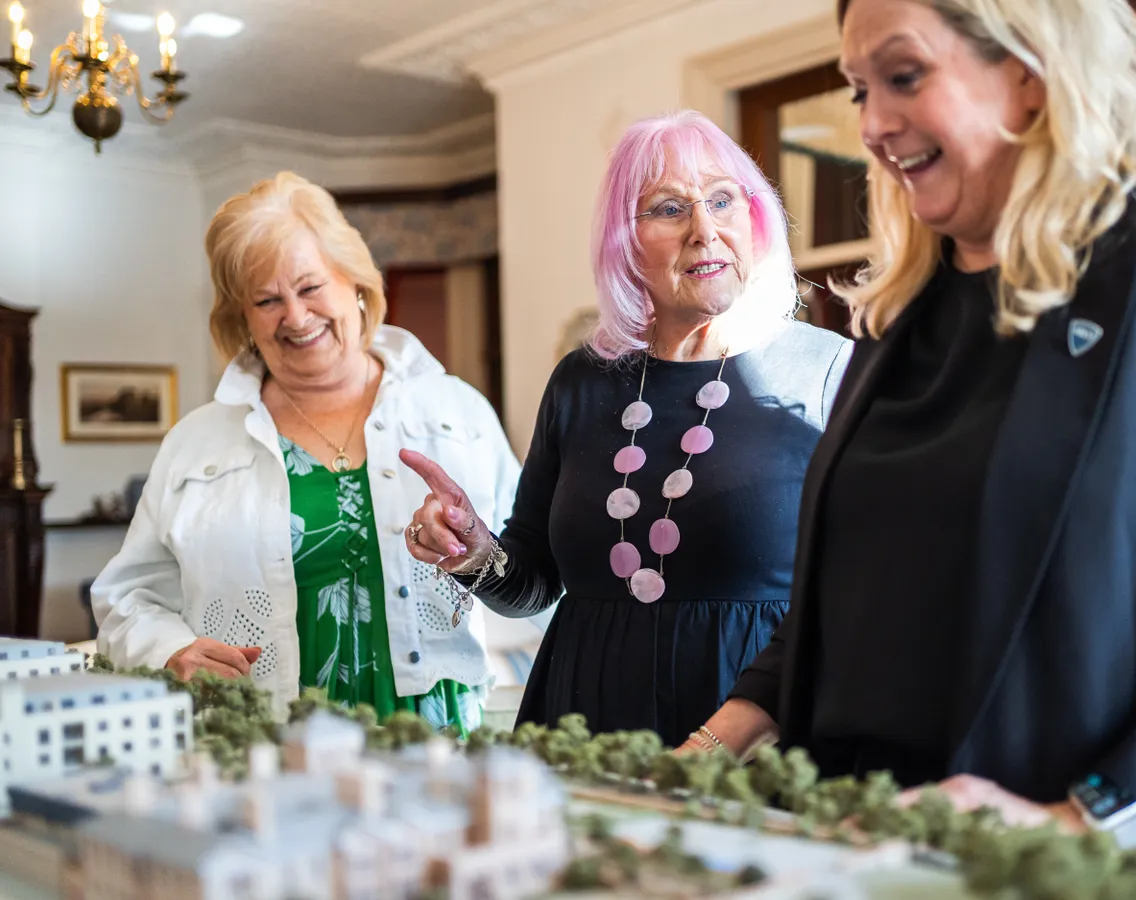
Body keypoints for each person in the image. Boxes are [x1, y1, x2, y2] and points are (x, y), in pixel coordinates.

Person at [695, 0, 1136, 882]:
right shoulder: (905, 316)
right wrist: (722, 734)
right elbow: (861, 594)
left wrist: (1087, 818)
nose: (869, 125)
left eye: (903, 77)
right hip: (872, 855)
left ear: (1028, 70)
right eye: (859, 89)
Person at [402, 111, 854, 748]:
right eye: (669, 208)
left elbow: (858, 591)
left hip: (753, 734)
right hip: (584, 719)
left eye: (723, 200)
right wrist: (473, 551)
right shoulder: (582, 382)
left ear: (754, 220)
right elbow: (532, 585)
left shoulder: (829, 372)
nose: (705, 230)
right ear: (624, 243)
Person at [91, 172, 522, 731]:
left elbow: (536, 572)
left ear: (356, 285)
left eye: (311, 287)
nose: (294, 317)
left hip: (434, 741)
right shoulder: (197, 442)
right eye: (267, 300)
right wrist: (169, 651)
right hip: (260, 749)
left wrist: (477, 549)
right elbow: (128, 598)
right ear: (241, 319)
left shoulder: (457, 411)